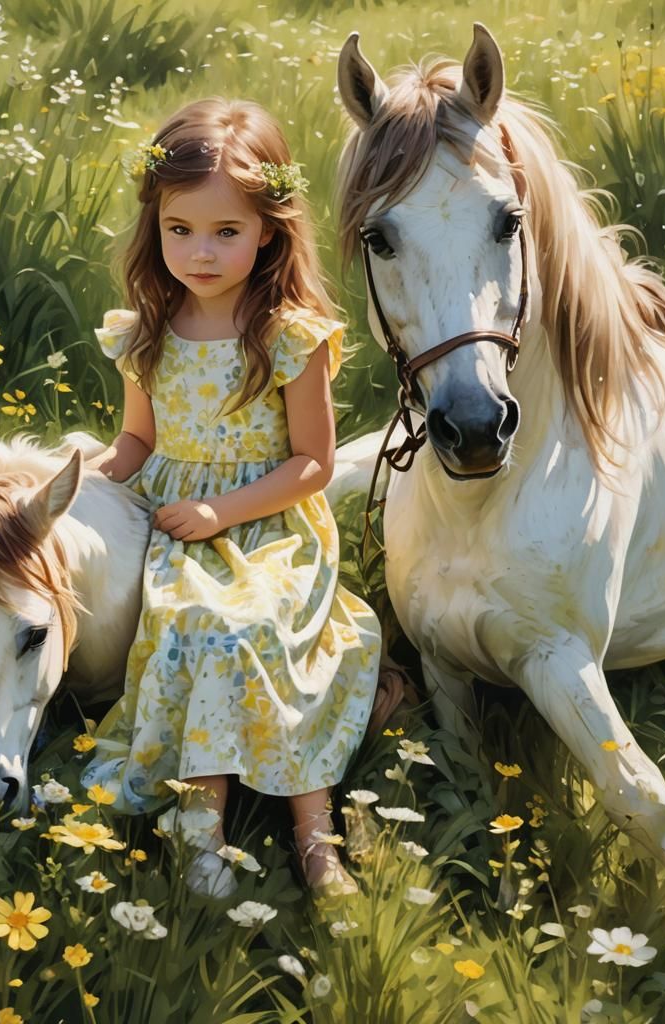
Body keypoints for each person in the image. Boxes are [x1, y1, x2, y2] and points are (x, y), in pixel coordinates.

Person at [82, 97, 382, 900]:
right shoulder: (147, 328)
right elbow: (139, 440)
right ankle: (201, 826)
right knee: (187, 621)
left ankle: (314, 837)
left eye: (226, 232)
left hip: (271, 521)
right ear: (156, 226)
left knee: (244, 624)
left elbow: (313, 464)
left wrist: (223, 512)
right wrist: (100, 470)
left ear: (269, 230)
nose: (201, 253)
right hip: (174, 518)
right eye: (181, 230)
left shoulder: (288, 334)